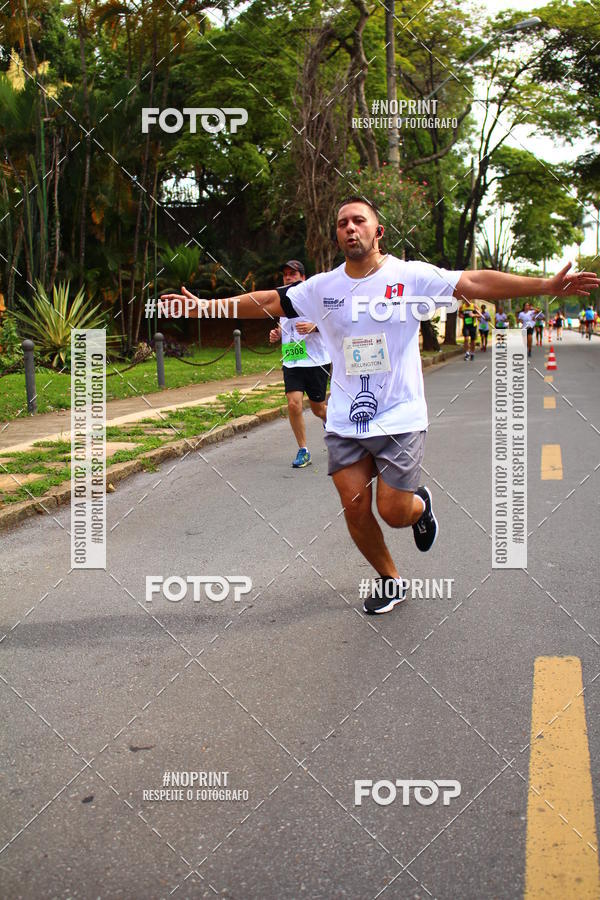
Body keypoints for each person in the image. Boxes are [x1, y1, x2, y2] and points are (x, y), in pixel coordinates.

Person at [161, 196, 599, 615]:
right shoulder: (323, 287)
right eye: (342, 224)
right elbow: (271, 301)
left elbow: (474, 282)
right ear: (337, 235)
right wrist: (205, 308)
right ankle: (390, 579)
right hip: (346, 419)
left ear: (378, 231)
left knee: (393, 511)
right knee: (354, 506)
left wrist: (545, 285)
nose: (350, 228)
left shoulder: (411, 277)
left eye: (359, 221)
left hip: (399, 416)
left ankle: (419, 506)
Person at [269, 260, 331, 467]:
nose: (288, 277)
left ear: (303, 278)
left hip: (316, 361)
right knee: (293, 403)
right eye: (286, 274)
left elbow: (334, 324)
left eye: (293, 274)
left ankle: (332, 424)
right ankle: (303, 450)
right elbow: (284, 326)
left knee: (318, 408)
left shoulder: (315, 298)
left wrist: (315, 327)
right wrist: (277, 334)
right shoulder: (281, 302)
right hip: (292, 361)